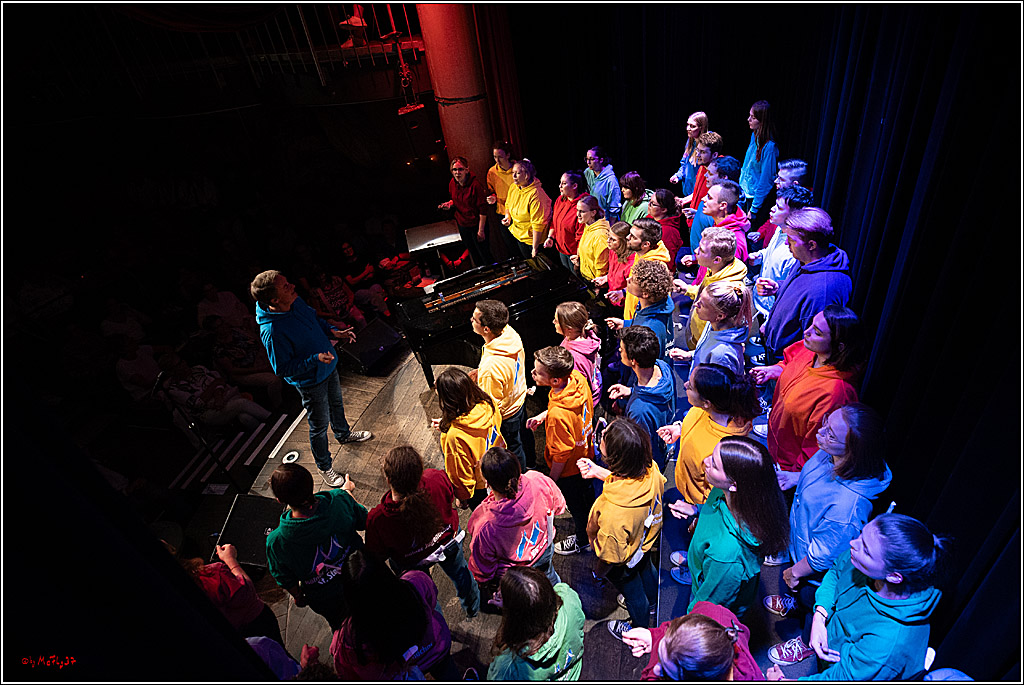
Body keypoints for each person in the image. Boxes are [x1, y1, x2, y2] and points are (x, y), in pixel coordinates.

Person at [761, 404, 891, 660]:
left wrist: (795, 571)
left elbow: (823, 555)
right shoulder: (830, 453)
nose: (821, 433)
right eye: (826, 424)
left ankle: (807, 644)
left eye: (831, 434)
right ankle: (795, 605)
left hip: (814, 571)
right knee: (798, 595)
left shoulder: (848, 507)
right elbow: (823, 476)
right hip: (802, 547)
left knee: (813, 603)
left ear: (852, 452)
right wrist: (796, 477)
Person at [765, 514, 950, 681]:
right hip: (836, 653)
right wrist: (820, 617)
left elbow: (843, 677)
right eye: (862, 534)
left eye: (867, 550)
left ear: (893, 576)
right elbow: (837, 570)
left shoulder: (886, 642)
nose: (853, 543)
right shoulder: (864, 561)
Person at [251, 270, 372, 487]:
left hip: (328, 366)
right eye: (285, 286)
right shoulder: (272, 330)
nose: (292, 286)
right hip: (311, 381)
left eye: (288, 281)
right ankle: (324, 466)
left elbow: (314, 321)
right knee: (319, 425)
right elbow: (283, 369)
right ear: (274, 300)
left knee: (337, 404)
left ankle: (343, 434)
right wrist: (314, 359)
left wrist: (334, 332)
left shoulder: (295, 303)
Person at [751, 305, 864, 485]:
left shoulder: (835, 393)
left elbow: (818, 447)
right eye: (811, 325)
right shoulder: (810, 350)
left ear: (839, 346)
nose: (807, 332)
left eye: (817, 332)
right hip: (776, 445)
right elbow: (789, 363)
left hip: (789, 468)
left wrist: (796, 477)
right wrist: (774, 370)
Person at [365, 445, 481, 618]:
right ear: (420, 470)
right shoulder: (436, 478)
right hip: (446, 542)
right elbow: (450, 498)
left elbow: (377, 554)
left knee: (423, 595)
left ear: (388, 480)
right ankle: (472, 608)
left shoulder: (378, 518)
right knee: (462, 575)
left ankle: (437, 628)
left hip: (411, 560)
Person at [682, 436, 789, 617]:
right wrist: (697, 511)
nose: (705, 462)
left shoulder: (726, 557)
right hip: (707, 569)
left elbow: (707, 608)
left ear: (734, 484)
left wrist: (685, 622)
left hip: (706, 590)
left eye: (715, 465)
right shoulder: (730, 493)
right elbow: (716, 506)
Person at [577, 417, 666, 633]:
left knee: (633, 591)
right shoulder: (650, 469)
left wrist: (599, 573)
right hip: (644, 541)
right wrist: (599, 473)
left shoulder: (613, 515)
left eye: (602, 441)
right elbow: (630, 485)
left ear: (615, 459)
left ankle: (640, 626)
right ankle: (656, 603)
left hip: (624, 559)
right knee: (647, 571)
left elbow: (610, 557)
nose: (599, 441)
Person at [265, 463, 367, 631]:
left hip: (327, 598)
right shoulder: (339, 499)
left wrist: (298, 596)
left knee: (344, 628)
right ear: (311, 483)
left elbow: (284, 577)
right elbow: (364, 521)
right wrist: (346, 494)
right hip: (362, 576)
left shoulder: (276, 542)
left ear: (280, 500)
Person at [331, 550, 457, 680]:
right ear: (385, 572)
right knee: (449, 673)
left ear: (349, 596)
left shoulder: (347, 637)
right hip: (434, 650)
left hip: (399, 674)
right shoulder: (415, 581)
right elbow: (432, 600)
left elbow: (346, 670)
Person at [658, 363, 758, 515]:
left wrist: (697, 510)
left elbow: (723, 499)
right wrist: (680, 430)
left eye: (690, 387)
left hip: (701, 507)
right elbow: (699, 426)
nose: (684, 385)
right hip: (687, 489)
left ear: (707, 403)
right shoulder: (704, 410)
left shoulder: (722, 450)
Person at [525, 346, 596, 557]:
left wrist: (552, 481)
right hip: (586, 455)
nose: (532, 374)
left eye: (537, 372)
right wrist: (544, 415)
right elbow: (568, 408)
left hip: (569, 470)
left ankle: (584, 540)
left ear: (555, 380)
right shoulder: (576, 379)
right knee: (588, 499)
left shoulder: (558, 416)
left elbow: (561, 455)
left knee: (577, 507)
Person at [466, 446, 566, 596]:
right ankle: (558, 598)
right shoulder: (538, 479)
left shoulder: (485, 523)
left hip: (516, 573)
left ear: (486, 482)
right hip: (544, 550)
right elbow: (559, 506)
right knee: (551, 579)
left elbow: (483, 568)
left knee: (525, 599)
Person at [760, 208, 853, 363]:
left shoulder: (823, 292)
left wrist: (782, 367)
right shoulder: (807, 261)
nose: (785, 243)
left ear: (811, 245)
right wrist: (779, 288)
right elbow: (800, 291)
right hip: (777, 353)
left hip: (786, 363)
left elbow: (812, 346)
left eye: (791, 240)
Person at [488, 566, 586, 681]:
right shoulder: (569, 598)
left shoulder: (507, 668)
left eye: (501, 591)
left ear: (516, 616)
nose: (498, 592)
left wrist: (508, 608)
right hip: (571, 673)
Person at [622, 601, 764, 681]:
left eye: (667, 672)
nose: (656, 669)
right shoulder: (712, 613)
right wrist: (653, 637)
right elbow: (674, 629)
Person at [179, 543, 284, 646]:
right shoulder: (211, 573)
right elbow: (246, 592)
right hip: (256, 621)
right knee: (280, 656)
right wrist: (230, 559)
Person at [434, 367, 506, 510]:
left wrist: (463, 498)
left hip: (481, 484)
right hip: (500, 462)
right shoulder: (487, 403)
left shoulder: (454, 436)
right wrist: (448, 422)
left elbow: (460, 474)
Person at [606, 326, 676, 471]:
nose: (619, 351)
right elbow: (652, 395)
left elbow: (641, 450)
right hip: (665, 446)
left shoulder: (639, 411)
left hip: (650, 465)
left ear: (633, 361)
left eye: (622, 349)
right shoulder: (662, 367)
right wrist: (631, 391)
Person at [470, 299, 529, 468]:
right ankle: (531, 463)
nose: (471, 321)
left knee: (514, 449)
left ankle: (522, 477)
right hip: (519, 398)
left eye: (474, 319)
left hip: (508, 413)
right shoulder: (509, 333)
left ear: (486, 329)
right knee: (524, 437)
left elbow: (491, 405)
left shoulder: (491, 367)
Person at [157, 351, 271, 431]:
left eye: (181, 361)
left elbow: (219, 381)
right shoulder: (173, 389)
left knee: (245, 417)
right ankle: (273, 420)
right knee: (241, 404)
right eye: (178, 365)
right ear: (171, 371)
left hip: (225, 398)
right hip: (209, 413)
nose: (183, 365)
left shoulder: (198, 369)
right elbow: (198, 404)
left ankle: (268, 435)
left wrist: (217, 396)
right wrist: (214, 387)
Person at [677, 226, 749, 350]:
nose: (695, 251)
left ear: (717, 260)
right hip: (698, 335)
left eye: (702, 250)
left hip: (707, 345)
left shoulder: (726, 292)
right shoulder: (716, 270)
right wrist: (687, 289)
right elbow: (705, 293)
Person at [748, 185, 812, 324]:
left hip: (772, 311)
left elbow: (789, 290)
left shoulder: (794, 251)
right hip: (762, 302)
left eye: (779, 208)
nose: (772, 209)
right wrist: (760, 256)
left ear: (795, 215)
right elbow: (770, 252)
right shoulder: (779, 229)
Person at [668, 282, 754, 380]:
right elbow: (707, 350)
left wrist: (693, 390)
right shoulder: (712, 324)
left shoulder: (722, 356)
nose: (696, 304)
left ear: (720, 316)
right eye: (699, 298)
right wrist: (691, 355)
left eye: (702, 305)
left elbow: (715, 392)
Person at [203, 314, 284, 409]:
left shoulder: (238, 331)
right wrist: (260, 368)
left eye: (223, 323)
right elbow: (233, 370)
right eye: (219, 326)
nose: (224, 326)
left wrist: (266, 357)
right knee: (273, 380)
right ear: (213, 331)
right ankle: (279, 407)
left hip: (261, 359)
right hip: (245, 373)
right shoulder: (218, 349)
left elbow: (257, 341)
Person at [607, 258, 675, 358]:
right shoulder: (661, 303)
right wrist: (626, 324)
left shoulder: (650, 330)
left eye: (633, 280)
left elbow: (647, 366)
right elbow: (642, 320)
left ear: (645, 293)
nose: (627, 280)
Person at [681, 155, 741, 268]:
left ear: (724, 178)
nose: (705, 175)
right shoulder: (713, 201)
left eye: (711, 173)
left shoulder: (726, 213)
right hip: (702, 264)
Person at [439, 156, 492, 267]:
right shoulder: (452, 183)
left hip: (477, 224)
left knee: (484, 254)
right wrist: (450, 203)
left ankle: (494, 277)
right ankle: (483, 278)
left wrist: (481, 230)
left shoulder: (475, 185)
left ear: (467, 170)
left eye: (460, 169)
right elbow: (456, 199)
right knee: (474, 254)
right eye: (454, 170)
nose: (457, 172)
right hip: (463, 224)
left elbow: (483, 209)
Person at [621, 217, 673, 328]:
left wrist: (634, 325)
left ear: (646, 244)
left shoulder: (657, 268)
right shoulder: (641, 254)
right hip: (632, 320)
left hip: (641, 326)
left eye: (633, 237)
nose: (627, 237)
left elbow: (658, 305)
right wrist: (623, 292)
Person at [748, 158, 809, 251]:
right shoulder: (783, 197)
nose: (776, 181)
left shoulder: (799, 209)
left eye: (781, 179)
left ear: (795, 184)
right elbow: (771, 221)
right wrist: (760, 233)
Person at [554, 301, 602, 408]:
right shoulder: (587, 334)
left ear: (569, 329)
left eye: (556, 321)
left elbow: (577, 392)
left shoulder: (574, 358)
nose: (553, 322)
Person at [502, 158, 554, 259]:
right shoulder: (514, 187)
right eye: (513, 172)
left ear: (527, 175)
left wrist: (535, 248)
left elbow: (538, 224)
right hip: (519, 235)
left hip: (534, 240)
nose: (514, 176)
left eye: (517, 173)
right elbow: (508, 204)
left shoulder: (536, 194)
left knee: (540, 270)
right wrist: (507, 216)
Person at [740, 100, 779, 229]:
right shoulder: (754, 137)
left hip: (755, 200)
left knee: (751, 235)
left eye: (753, 117)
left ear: (762, 121)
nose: (749, 119)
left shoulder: (769, 148)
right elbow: (747, 168)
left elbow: (766, 180)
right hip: (745, 194)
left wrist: (754, 208)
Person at [678, 131, 724, 232]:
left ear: (714, 154)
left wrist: (700, 214)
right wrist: (685, 200)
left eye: (703, 152)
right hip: (696, 219)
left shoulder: (718, 172)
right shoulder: (702, 167)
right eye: (697, 150)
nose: (697, 155)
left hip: (707, 226)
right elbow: (699, 192)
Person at [547, 170, 590, 271]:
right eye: (560, 183)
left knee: (579, 279)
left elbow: (581, 236)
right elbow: (554, 222)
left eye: (564, 183)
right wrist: (551, 237)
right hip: (562, 250)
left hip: (575, 255)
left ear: (575, 186)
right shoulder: (560, 200)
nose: (560, 186)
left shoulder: (583, 206)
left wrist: (578, 257)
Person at [487, 140, 520, 258]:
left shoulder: (517, 169)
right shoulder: (492, 172)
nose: (497, 160)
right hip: (502, 213)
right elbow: (492, 191)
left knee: (523, 245)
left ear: (508, 155)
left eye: (500, 157)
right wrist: (492, 198)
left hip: (519, 213)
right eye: (495, 157)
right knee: (511, 246)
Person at [594, 221, 635, 311]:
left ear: (624, 242)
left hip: (624, 305)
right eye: (608, 237)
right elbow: (614, 272)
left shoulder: (632, 264)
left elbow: (636, 288)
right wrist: (606, 278)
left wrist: (622, 293)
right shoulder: (613, 251)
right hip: (612, 297)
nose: (608, 241)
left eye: (613, 239)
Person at [569, 195, 610, 281]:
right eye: (577, 210)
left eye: (582, 212)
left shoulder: (600, 235)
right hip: (585, 276)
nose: (578, 215)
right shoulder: (588, 226)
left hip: (594, 281)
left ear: (593, 213)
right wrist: (580, 258)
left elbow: (602, 266)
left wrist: (598, 286)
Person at [669, 111, 709, 197]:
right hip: (688, 191)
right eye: (688, 125)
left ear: (701, 128)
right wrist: (678, 176)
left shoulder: (706, 145)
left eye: (692, 126)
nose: (688, 128)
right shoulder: (690, 141)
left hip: (699, 193)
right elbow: (684, 163)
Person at [583, 145, 622, 221]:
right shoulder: (587, 173)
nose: (588, 162)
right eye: (587, 159)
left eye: (592, 159)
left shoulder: (611, 180)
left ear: (601, 160)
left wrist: (609, 227)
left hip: (604, 221)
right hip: (590, 219)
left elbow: (614, 208)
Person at [647, 188, 684, 259]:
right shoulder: (650, 219)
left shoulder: (668, 232)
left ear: (664, 209)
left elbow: (667, 259)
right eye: (649, 201)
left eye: (653, 204)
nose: (648, 205)